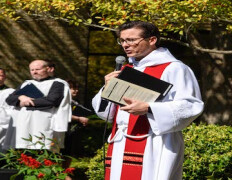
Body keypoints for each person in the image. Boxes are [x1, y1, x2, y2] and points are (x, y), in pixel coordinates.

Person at [92, 21, 204, 180]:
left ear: (152, 40)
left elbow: (190, 106)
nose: (125, 45)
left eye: (131, 40)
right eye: (122, 40)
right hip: (121, 140)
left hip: (155, 141)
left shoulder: (174, 68)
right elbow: (106, 114)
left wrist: (149, 108)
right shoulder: (126, 70)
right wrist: (107, 89)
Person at [6, 60, 71, 151]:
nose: (34, 72)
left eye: (37, 69)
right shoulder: (27, 83)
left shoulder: (58, 83)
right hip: (24, 125)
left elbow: (51, 101)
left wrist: (26, 102)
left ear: (48, 69)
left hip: (44, 123)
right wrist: (21, 97)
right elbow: (9, 99)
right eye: (32, 70)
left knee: (42, 150)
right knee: (24, 151)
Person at [0, 68, 15, 152]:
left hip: (3, 128)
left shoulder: (11, 93)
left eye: (1, 75)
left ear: (5, 77)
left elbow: (12, 112)